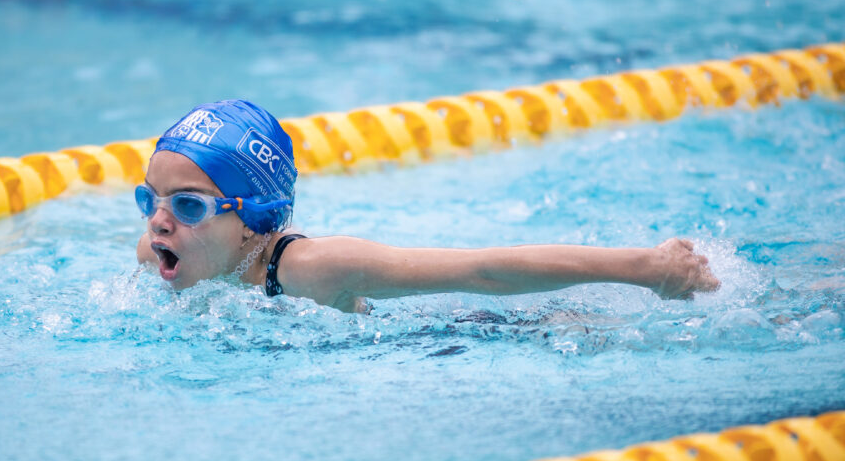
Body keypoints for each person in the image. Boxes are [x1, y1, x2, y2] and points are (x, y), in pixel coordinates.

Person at [136, 100, 719, 313]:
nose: (159, 220)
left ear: (254, 221)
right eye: (150, 198)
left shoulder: (313, 269)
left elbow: (480, 270)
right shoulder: (157, 255)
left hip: (445, 341)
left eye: (188, 206)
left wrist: (646, 270)